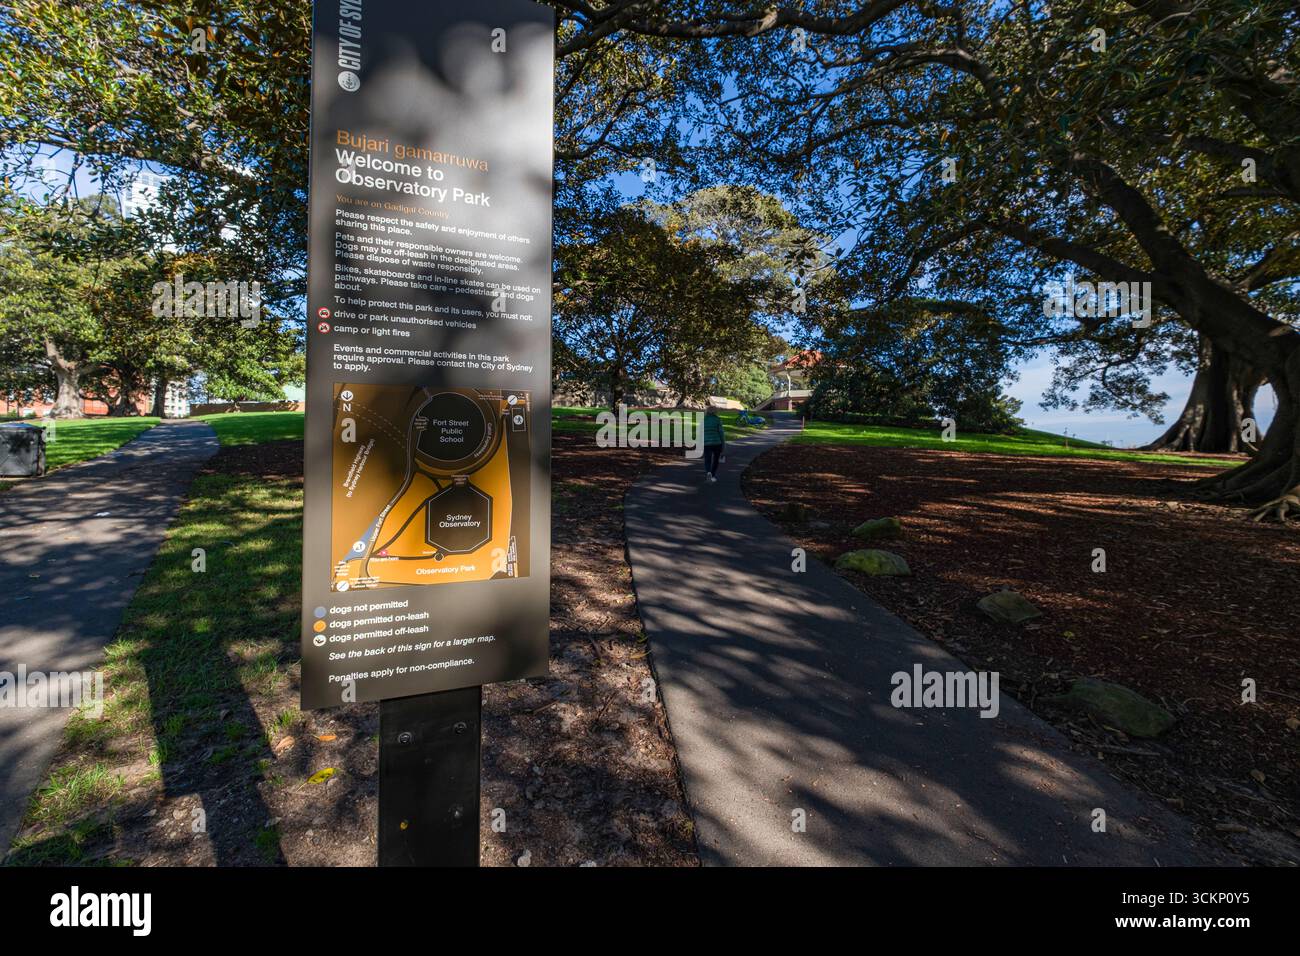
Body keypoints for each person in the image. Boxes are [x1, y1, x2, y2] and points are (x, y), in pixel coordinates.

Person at [701, 407, 725, 482]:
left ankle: (708, 472)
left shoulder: (703, 420)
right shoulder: (718, 420)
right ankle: (713, 475)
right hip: (717, 442)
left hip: (706, 443)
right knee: (716, 460)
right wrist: (723, 444)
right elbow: (721, 433)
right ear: (715, 412)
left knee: (707, 459)